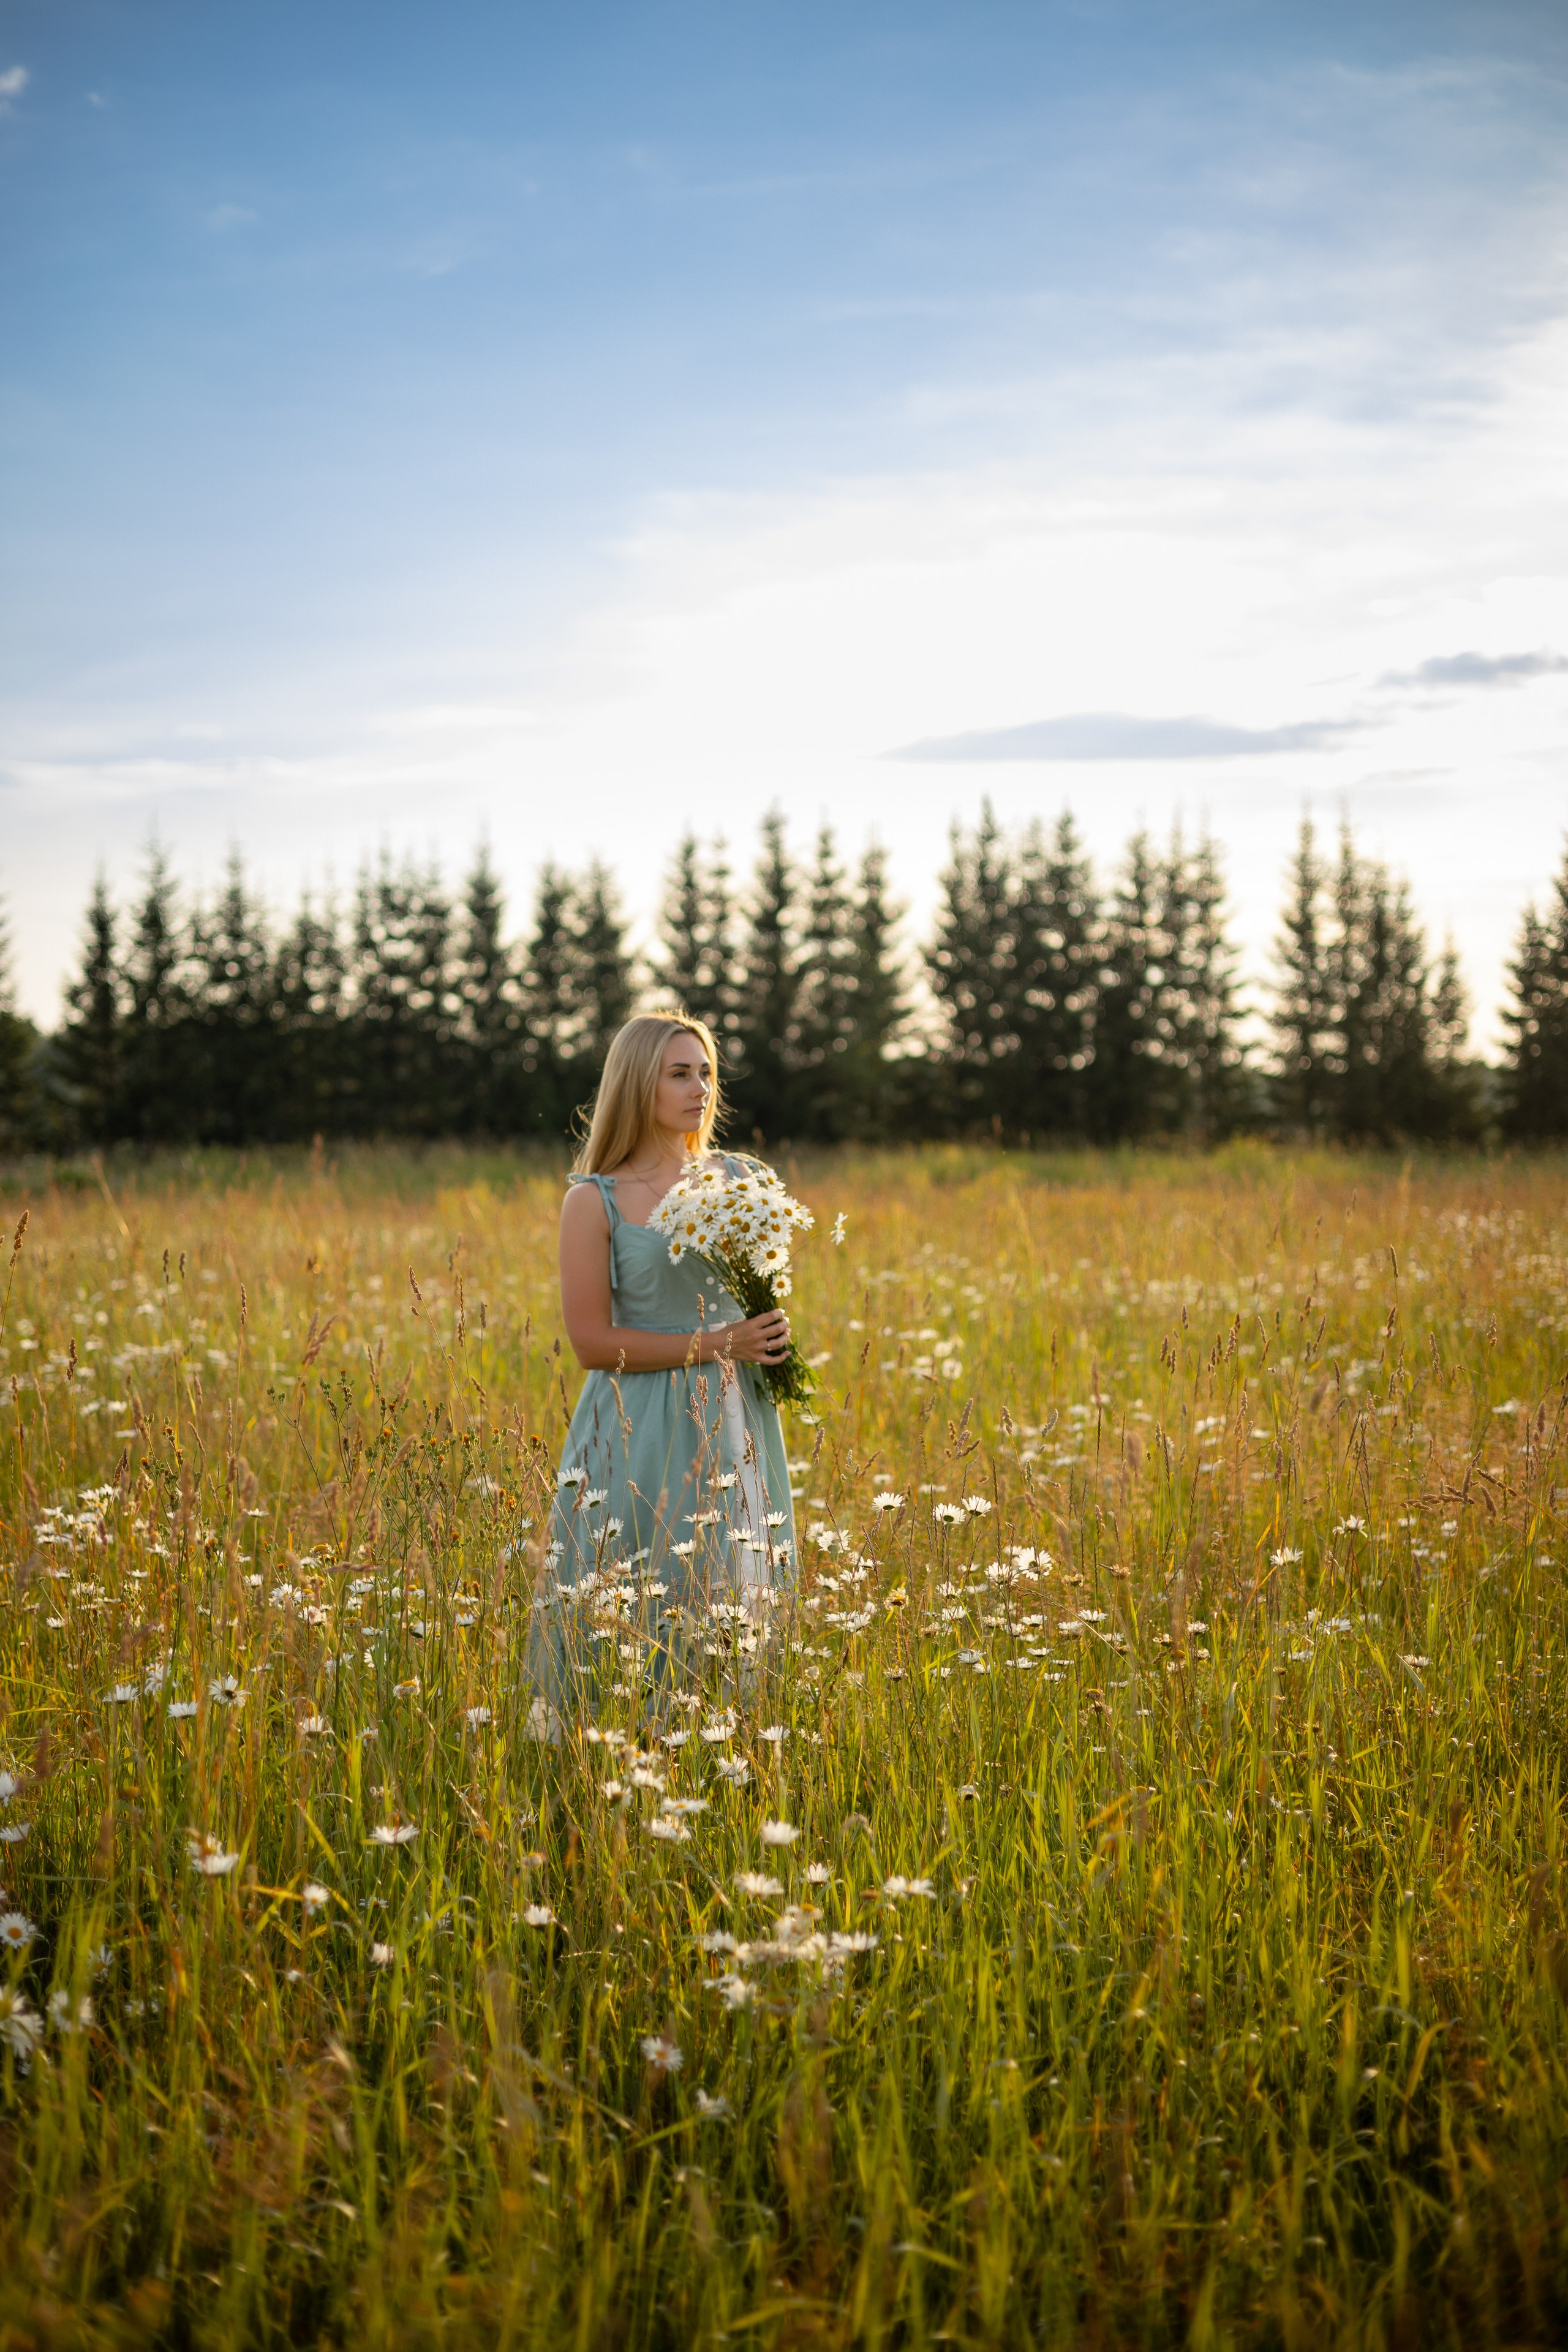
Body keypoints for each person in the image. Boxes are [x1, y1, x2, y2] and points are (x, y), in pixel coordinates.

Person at [526, 1011, 799, 1717]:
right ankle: (615, 1736)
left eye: (706, 1073)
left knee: (735, 1574)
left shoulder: (740, 1176)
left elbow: (758, 1285)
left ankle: (732, 1732)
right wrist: (720, 1343)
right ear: (636, 1083)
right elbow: (591, 1343)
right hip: (636, 1418)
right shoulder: (593, 1199)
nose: (700, 1088)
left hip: (736, 1408)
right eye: (679, 1074)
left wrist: (767, 1332)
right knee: (643, 1576)